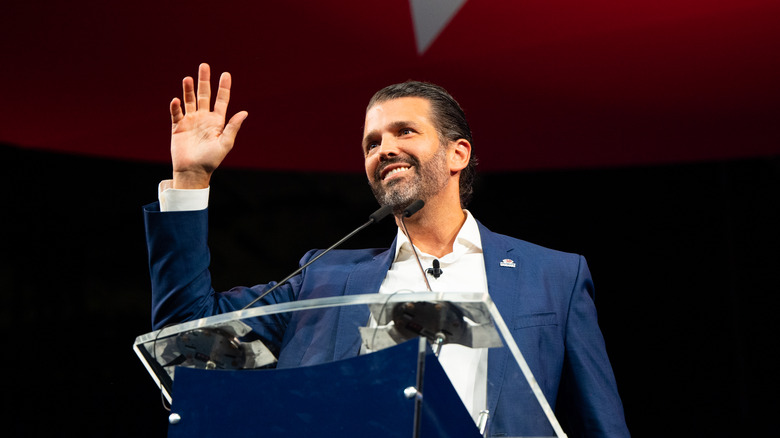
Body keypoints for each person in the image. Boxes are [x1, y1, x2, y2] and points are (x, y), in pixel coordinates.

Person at [144, 63, 630, 437]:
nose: (383, 149)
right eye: (371, 143)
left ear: (458, 153)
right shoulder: (324, 278)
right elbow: (184, 344)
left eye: (404, 132)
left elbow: (602, 425)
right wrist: (191, 179)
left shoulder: (553, 276)